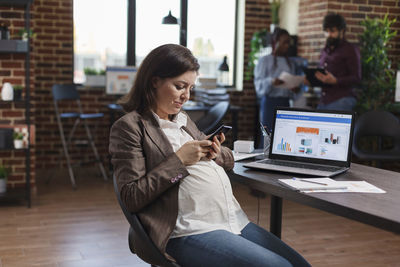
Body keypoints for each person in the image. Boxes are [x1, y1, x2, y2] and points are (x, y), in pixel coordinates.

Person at [109, 44, 310, 267]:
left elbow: (225, 158)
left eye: (190, 88)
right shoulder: (130, 127)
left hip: (232, 220)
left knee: (300, 265)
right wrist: (179, 161)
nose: (186, 96)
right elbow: (132, 197)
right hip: (184, 229)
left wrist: (215, 153)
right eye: (179, 86)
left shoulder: (183, 120)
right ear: (154, 80)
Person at [254, 28, 303, 133]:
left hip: (285, 104)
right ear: (275, 42)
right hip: (270, 103)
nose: (287, 45)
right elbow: (258, 85)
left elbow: (293, 84)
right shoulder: (265, 60)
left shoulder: (290, 63)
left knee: (284, 134)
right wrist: (271, 81)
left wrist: (294, 88)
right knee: (268, 136)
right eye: (284, 42)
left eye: (289, 43)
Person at [311, 13, 361, 111]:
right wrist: (312, 79)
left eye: (332, 31)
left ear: (342, 31)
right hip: (324, 99)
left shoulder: (350, 49)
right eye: (326, 31)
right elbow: (323, 75)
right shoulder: (325, 50)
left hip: (342, 98)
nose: (328, 35)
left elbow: (357, 78)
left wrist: (336, 81)